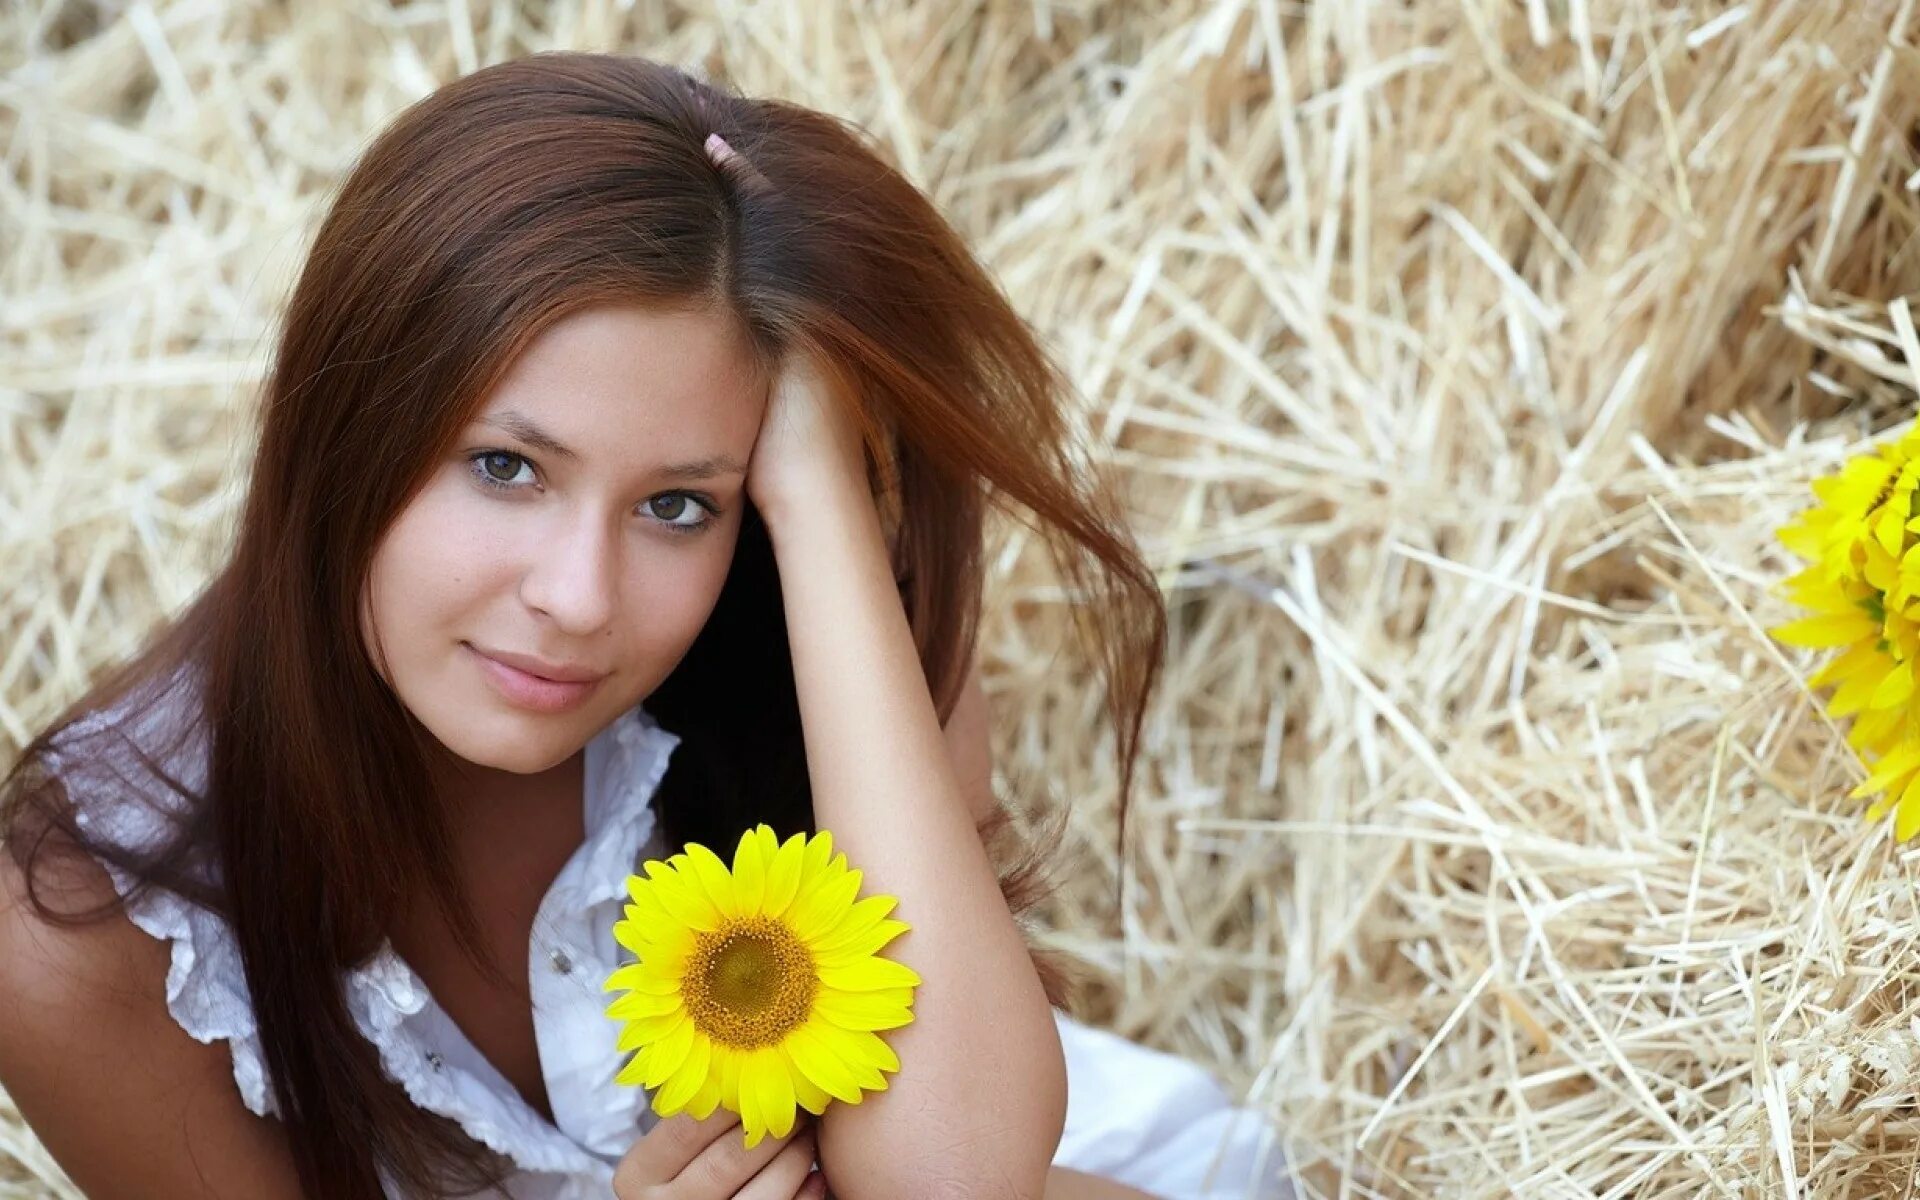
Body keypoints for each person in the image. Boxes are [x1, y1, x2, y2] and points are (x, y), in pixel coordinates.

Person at [0, 53, 1293, 1200]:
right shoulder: (88, 928)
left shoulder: (797, 603)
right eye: (506, 467)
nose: (578, 597)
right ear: (345, 428)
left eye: (676, 500)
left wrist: (814, 494)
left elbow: (959, 1182)